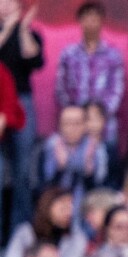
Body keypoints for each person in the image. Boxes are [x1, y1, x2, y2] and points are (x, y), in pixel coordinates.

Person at [0, 0, 45, 234]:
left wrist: (23, 29)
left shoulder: (30, 32)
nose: (7, 6)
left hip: (22, 101)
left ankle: (21, 232)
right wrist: (7, 28)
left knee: (24, 169)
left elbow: (35, 60)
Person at [56, 2, 125, 140]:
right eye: (87, 17)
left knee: (107, 158)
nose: (91, 21)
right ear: (80, 21)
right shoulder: (69, 54)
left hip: (104, 124)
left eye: (95, 17)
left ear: (102, 21)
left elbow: (117, 90)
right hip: (74, 124)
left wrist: (99, 115)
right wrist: (76, 114)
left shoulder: (113, 55)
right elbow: (61, 88)